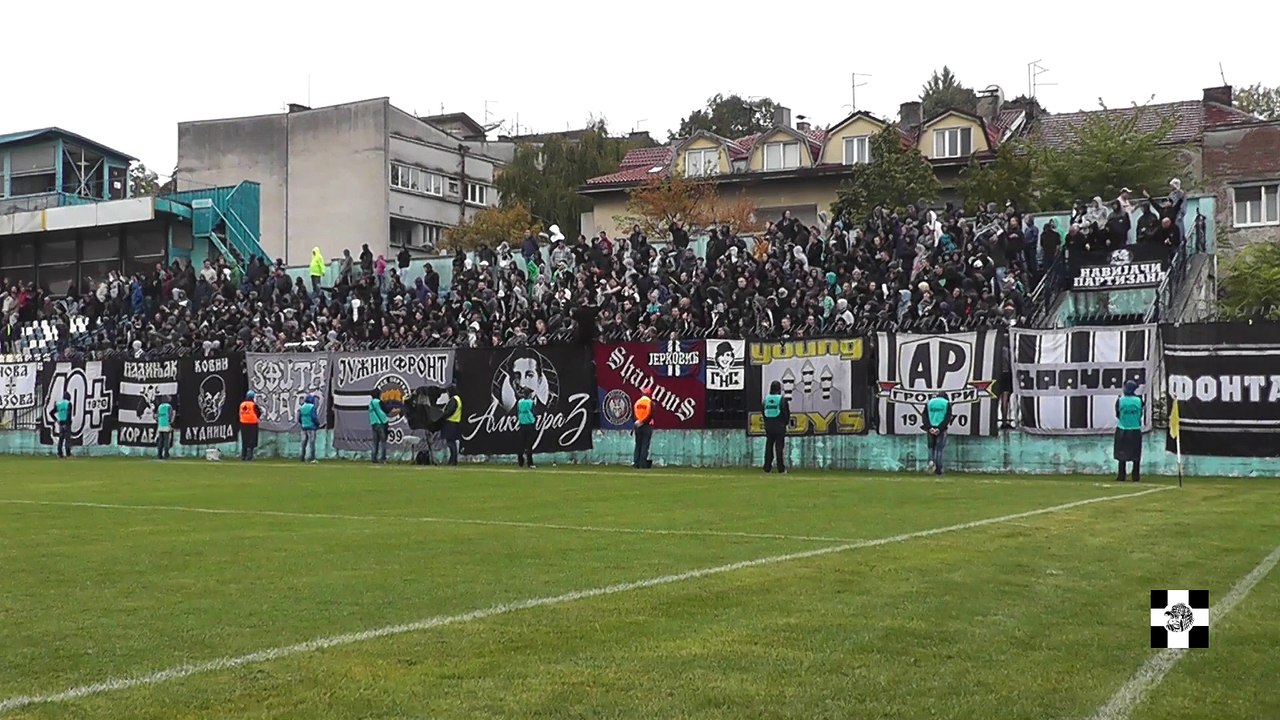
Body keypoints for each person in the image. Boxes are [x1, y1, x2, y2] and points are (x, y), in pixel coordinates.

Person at [1115, 380, 1144, 482]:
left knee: (1121, 454)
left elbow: (1117, 414)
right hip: (1135, 430)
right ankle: (1135, 477)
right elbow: (1141, 414)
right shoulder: (1139, 400)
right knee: (1136, 455)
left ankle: (1121, 476)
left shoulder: (1120, 400)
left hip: (1122, 429)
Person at [762, 380, 790, 474]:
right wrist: (785, 423)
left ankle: (767, 468)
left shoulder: (766, 399)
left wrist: (767, 422)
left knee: (768, 447)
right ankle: (780, 468)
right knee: (779, 448)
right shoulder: (781, 399)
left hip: (769, 426)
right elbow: (786, 413)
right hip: (779, 426)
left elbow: (763, 412)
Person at [922, 392, 954, 476]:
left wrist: (929, 428)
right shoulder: (946, 403)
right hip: (941, 429)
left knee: (930, 448)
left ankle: (931, 462)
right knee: (939, 449)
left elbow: (924, 416)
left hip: (930, 428)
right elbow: (947, 418)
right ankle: (938, 469)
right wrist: (940, 428)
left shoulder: (929, 402)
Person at [440, 383, 462, 466]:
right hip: (456, 422)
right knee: (452, 443)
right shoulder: (458, 399)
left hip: (451, 423)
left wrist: (442, 415)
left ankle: (452, 461)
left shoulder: (454, 400)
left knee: (450, 443)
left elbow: (450, 411)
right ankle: (453, 460)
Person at [632, 387, 653, 469]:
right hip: (646, 426)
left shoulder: (637, 402)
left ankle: (636, 463)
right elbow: (651, 414)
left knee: (638, 445)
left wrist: (637, 421)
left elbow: (633, 414)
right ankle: (642, 464)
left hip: (637, 426)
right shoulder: (650, 403)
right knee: (645, 445)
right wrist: (643, 421)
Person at [516, 386, 537, 469]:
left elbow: (518, 411)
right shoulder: (531, 402)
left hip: (522, 424)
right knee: (529, 445)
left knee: (521, 444)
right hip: (529, 424)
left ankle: (520, 462)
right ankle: (530, 463)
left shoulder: (519, 402)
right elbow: (533, 412)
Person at [239, 391, 262, 461]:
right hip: (252, 424)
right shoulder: (253, 405)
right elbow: (258, 413)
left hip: (243, 424)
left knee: (244, 440)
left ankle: (243, 456)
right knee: (252, 440)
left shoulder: (242, 404)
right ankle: (249, 456)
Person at [369, 388, 389, 464]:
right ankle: (383, 458)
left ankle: (374, 458)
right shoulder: (379, 402)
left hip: (373, 423)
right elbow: (386, 410)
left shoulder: (370, 404)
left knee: (375, 442)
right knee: (383, 442)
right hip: (381, 423)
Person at [299, 394, 319, 463]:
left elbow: (299, 418)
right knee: (312, 443)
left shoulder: (302, 407)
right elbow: (314, 417)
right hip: (311, 427)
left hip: (304, 427)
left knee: (303, 443)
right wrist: (317, 424)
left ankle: (302, 458)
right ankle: (312, 458)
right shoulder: (312, 407)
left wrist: (302, 423)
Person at [54, 391, 72, 458]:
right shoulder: (68, 403)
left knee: (61, 439)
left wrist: (56, 420)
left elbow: (51, 413)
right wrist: (66, 424)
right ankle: (68, 454)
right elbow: (69, 414)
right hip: (66, 423)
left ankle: (59, 453)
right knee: (67, 439)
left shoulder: (59, 404)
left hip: (61, 423)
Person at [156, 395, 174, 460]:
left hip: (160, 425)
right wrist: (170, 424)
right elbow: (170, 416)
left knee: (160, 441)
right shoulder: (169, 406)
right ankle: (166, 455)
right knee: (166, 441)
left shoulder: (160, 407)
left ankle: (159, 455)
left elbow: (157, 416)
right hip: (166, 425)